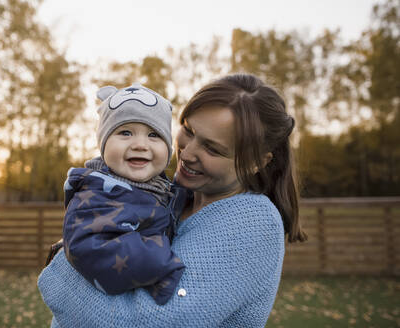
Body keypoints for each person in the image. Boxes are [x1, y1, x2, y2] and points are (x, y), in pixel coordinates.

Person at [38, 73, 307, 328]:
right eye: (188, 130)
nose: (187, 153)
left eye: (212, 148)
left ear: (257, 162)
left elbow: (143, 323)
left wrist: (62, 263)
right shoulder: (167, 194)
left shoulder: (252, 222)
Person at [56, 82, 185, 306]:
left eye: (154, 135)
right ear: (103, 145)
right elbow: (90, 248)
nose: (140, 144)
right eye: (125, 132)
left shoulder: (163, 189)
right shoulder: (96, 194)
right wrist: (161, 266)